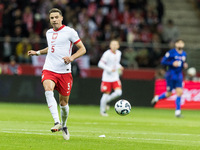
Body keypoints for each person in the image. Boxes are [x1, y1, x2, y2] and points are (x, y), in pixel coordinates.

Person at [28, 8, 86, 140]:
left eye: (56, 17)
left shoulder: (70, 32)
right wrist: (37, 52)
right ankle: (56, 122)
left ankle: (64, 125)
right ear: (49, 20)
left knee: (64, 103)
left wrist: (71, 58)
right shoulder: (49, 32)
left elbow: (83, 49)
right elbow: (51, 48)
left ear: (61, 18)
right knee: (48, 90)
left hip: (64, 72)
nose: (54, 20)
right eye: (52, 18)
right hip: (49, 68)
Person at [151, 39, 188, 117]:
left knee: (179, 92)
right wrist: (172, 63)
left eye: (181, 43)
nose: (180, 44)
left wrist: (184, 65)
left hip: (179, 75)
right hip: (170, 75)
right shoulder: (171, 52)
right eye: (178, 43)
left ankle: (177, 112)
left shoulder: (184, 54)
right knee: (169, 93)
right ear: (176, 44)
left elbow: (181, 63)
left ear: (183, 44)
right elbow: (163, 61)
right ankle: (157, 98)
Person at [98, 40, 124, 116]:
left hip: (115, 77)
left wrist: (120, 66)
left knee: (119, 93)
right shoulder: (107, 54)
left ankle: (106, 101)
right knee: (105, 94)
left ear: (118, 46)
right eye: (113, 44)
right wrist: (109, 69)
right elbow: (100, 64)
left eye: (116, 44)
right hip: (107, 77)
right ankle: (102, 111)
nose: (114, 46)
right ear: (110, 46)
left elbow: (116, 63)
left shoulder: (119, 53)